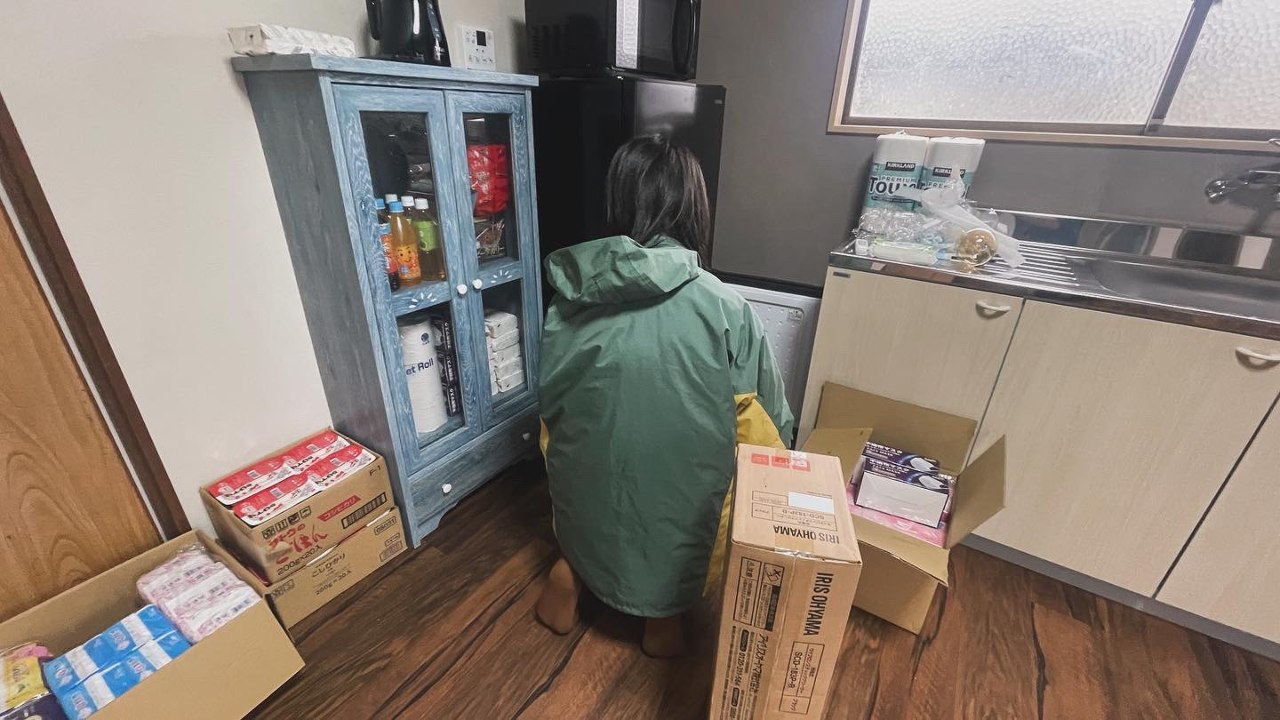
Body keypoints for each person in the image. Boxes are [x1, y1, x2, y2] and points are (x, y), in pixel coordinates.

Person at [535, 135, 794, 657]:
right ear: (694, 209)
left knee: (590, 479)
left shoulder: (569, 300)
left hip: (584, 495)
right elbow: (767, 424)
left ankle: (571, 572)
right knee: (681, 500)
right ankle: (662, 617)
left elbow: (552, 408)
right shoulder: (725, 308)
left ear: (617, 202)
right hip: (676, 506)